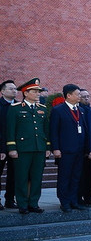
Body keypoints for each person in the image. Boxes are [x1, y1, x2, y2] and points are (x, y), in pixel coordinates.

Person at [5, 78, 51, 214]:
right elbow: (11, 129)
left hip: (39, 148)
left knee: (37, 177)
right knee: (22, 177)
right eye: (35, 91)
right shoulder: (15, 108)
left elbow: (45, 130)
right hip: (22, 149)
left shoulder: (42, 109)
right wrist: (12, 148)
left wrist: (47, 147)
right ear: (25, 93)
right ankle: (22, 204)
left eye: (39, 91)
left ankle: (34, 203)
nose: (38, 94)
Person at [49, 83, 89, 212]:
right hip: (65, 151)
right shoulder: (58, 110)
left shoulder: (81, 110)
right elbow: (54, 131)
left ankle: (74, 200)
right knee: (65, 177)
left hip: (79, 150)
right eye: (77, 94)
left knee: (76, 176)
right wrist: (55, 148)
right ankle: (64, 201)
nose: (79, 96)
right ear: (68, 95)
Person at [0, 79, 18, 210]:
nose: (14, 90)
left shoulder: (19, 106)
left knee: (14, 174)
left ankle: (10, 199)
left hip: (16, 147)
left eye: (15, 88)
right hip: (1, 147)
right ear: (2, 91)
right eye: (11, 88)